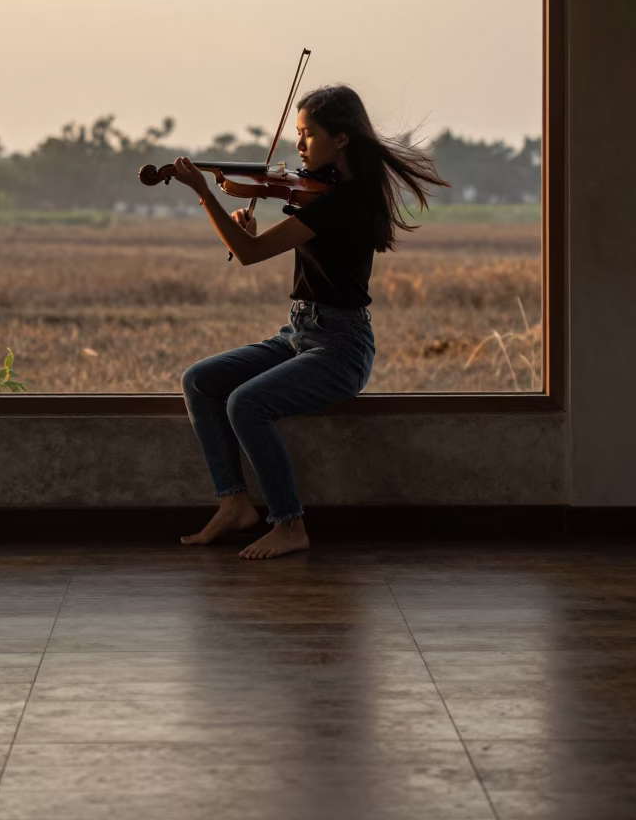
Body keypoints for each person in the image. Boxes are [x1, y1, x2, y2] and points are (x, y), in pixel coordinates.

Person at [173, 83, 450, 560]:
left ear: (341, 139)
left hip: (339, 347)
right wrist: (252, 228)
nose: (297, 147)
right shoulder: (322, 195)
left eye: (307, 134)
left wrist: (203, 192)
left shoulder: (341, 202)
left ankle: (290, 523)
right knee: (199, 381)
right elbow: (262, 244)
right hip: (300, 332)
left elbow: (248, 254)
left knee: (246, 403)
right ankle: (235, 503)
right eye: (297, 135)